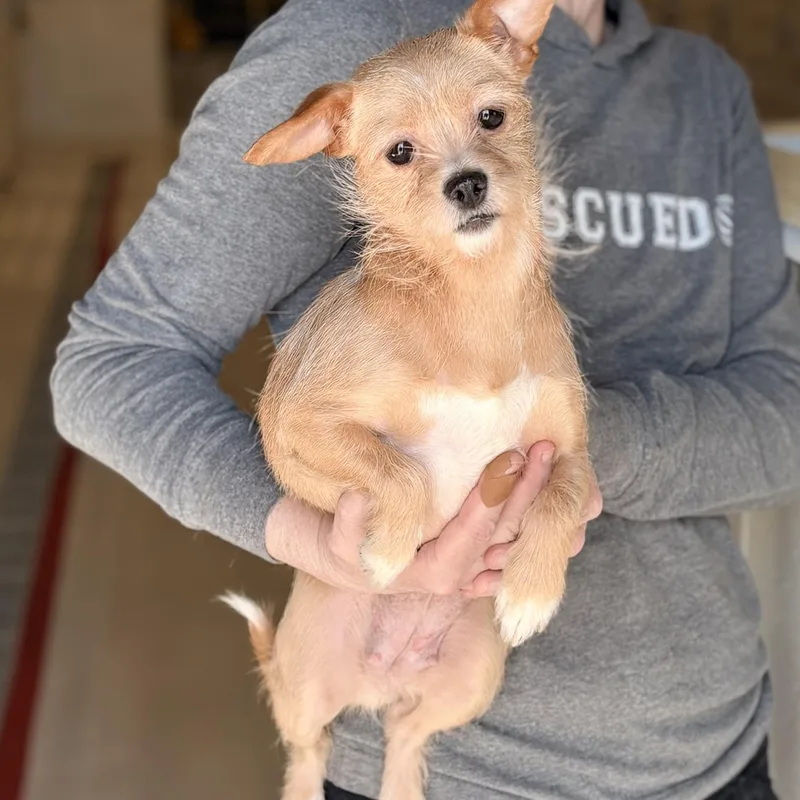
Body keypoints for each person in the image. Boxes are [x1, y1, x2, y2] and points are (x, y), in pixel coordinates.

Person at [50, 0, 800, 797]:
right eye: (406, 149)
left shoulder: (702, 81)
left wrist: (556, 448)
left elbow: (785, 412)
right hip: (437, 766)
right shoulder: (346, 43)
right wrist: (309, 534)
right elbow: (111, 362)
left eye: (489, 118)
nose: (459, 163)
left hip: (718, 747)